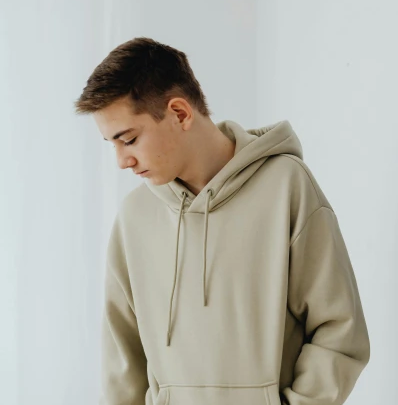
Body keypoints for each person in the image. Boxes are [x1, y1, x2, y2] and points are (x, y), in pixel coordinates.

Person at [74, 37, 370, 405]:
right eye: (112, 144)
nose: (122, 161)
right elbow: (122, 358)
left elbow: (339, 330)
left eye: (129, 139)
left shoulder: (286, 188)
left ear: (180, 113)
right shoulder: (135, 215)